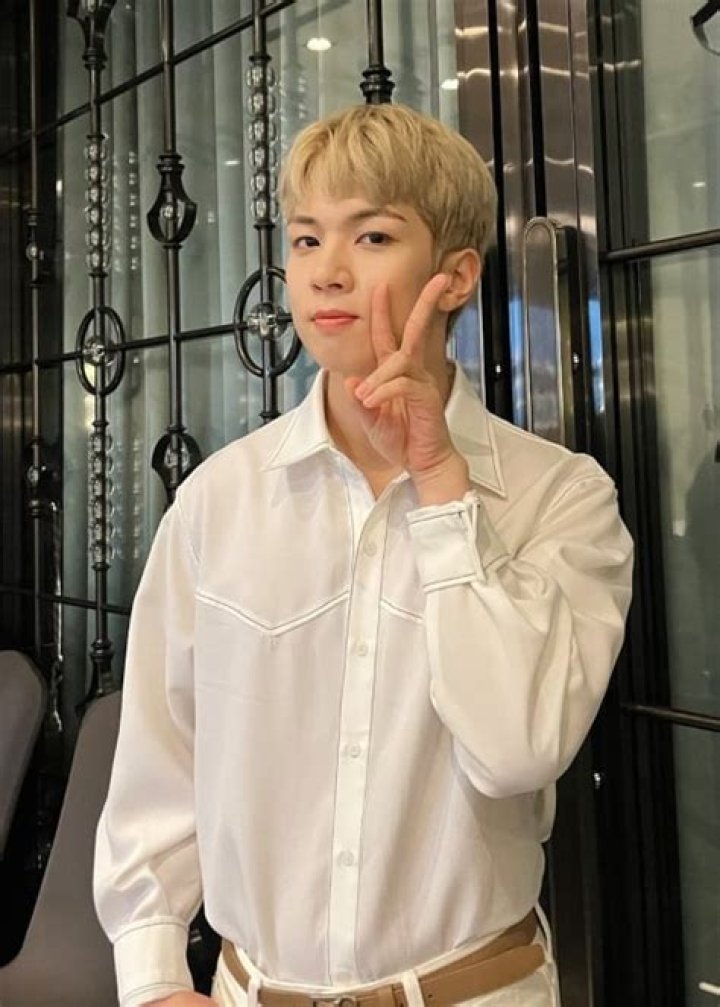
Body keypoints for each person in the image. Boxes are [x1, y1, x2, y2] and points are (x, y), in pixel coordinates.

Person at [94, 103, 633, 1007]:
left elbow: (516, 749)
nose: (326, 271)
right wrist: (151, 978)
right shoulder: (220, 501)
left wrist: (442, 485)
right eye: (306, 239)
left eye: (372, 235)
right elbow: (162, 754)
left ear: (456, 275)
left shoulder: (560, 498)